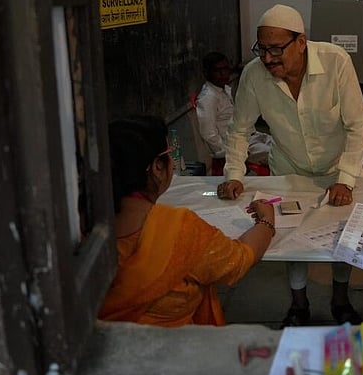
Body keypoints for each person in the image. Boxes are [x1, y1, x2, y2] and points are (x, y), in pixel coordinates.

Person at [216, 4, 363, 327]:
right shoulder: (254, 75)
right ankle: (298, 306)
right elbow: (239, 129)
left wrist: (346, 178)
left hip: (337, 168)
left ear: (301, 42)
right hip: (289, 167)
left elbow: (358, 126)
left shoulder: (336, 62)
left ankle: (340, 300)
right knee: (290, 236)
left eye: (276, 49)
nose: (268, 59)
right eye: (262, 49)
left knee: (341, 236)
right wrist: (233, 173)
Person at [98, 114, 276, 327]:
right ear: (157, 167)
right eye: (170, 154)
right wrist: (266, 220)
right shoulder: (177, 229)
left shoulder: (85, 224)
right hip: (175, 351)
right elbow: (239, 260)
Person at [194, 51, 273, 176]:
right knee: (277, 156)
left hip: (251, 136)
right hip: (237, 145)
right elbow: (208, 134)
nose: (223, 74)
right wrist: (230, 154)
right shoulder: (208, 97)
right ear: (206, 73)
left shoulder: (224, 90)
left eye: (225, 69)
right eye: (217, 70)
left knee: (284, 145)